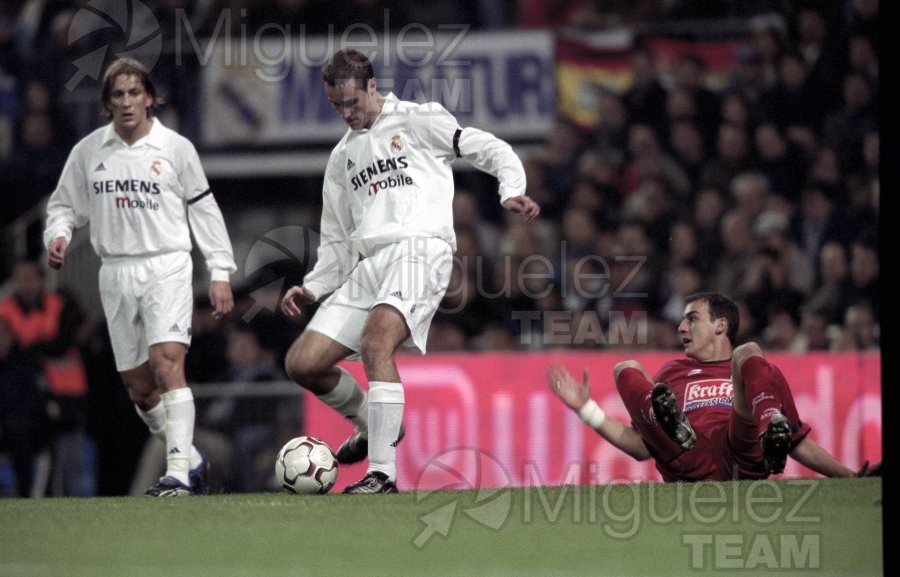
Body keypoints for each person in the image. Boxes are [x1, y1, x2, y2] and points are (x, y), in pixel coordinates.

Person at [280, 48, 540, 494]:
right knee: (303, 363)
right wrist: (312, 286)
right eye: (336, 106)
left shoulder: (418, 120)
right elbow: (338, 242)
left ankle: (382, 472)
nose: (345, 113)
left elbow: (486, 145)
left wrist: (509, 188)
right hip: (372, 264)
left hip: (421, 250)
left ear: (372, 87)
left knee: (377, 342)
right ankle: (375, 425)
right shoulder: (342, 158)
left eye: (351, 103)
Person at [43, 57, 237, 496]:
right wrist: (58, 234)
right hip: (115, 272)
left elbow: (204, 210)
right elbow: (62, 206)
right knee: (140, 390)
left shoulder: (176, 149)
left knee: (168, 364)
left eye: (135, 93)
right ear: (106, 104)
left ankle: (177, 476)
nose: (127, 102)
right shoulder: (88, 152)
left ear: (150, 98)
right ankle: (191, 459)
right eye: (118, 95)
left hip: (166, 264)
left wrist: (221, 271)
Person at [547, 291, 877, 481]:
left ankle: (768, 428)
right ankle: (671, 423)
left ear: (720, 325)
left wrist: (851, 478)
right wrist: (586, 410)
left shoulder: (755, 370)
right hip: (687, 455)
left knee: (749, 352)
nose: (680, 327)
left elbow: (797, 442)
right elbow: (640, 447)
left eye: (692, 318)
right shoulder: (672, 373)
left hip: (740, 449)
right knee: (626, 368)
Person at [0, 259, 94, 496]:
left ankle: (72, 505)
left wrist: (32, 347)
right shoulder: (6, 309)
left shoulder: (59, 304)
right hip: (25, 398)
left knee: (68, 460)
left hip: (65, 394)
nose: (26, 284)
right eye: (20, 278)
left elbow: (69, 339)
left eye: (30, 277)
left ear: (41, 280)